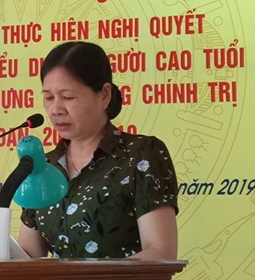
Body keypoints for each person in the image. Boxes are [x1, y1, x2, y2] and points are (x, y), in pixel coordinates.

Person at [18, 42, 179, 260]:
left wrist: (88, 278)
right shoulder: (43, 167)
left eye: (68, 97)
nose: (55, 109)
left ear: (104, 95)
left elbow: (160, 251)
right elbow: (28, 256)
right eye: (48, 97)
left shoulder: (139, 154)